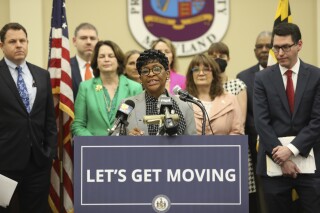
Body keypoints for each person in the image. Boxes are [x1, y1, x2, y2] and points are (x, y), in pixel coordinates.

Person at [253, 22, 320, 213]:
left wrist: (290, 150)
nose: (279, 53)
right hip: (273, 165)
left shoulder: (316, 76)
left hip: (310, 163)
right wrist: (281, 159)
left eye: (285, 47)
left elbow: (317, 121)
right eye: (276, 48)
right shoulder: (262, 78)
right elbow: (261, 122)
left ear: (299, 45)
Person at [0, 23, 57, 213]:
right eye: (12, 41)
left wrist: (49, 152)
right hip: (4, 163)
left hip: (38, 162)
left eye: (22, 41)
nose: (19, 45)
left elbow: (49, 119)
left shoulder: (41, 75)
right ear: (2, 45)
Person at [72, 40, 143, 136]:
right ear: (96, 62)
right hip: (93, 148)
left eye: (111, 56)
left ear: (118, 60)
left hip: (125, 147)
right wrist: (96, 144)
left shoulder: (135, 88)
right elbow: (78, 125)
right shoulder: (85, 87)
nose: (106, 59)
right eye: (101, 56)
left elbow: (139, 123)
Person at [121, 49, 196, 136]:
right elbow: (114, 138)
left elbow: (192, 144)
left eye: (156, 69)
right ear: (140, 78)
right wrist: (127, 139)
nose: (151, 74)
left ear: (167, 74)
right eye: (145, 71)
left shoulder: (185, 105)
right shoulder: (126, 105)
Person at [237, 31, 272, 213]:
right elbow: (245, 113)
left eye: (268, 45)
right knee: (261, 193)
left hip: (288, 143)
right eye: (260, 46)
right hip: (255, 144)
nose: (264, 50)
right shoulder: (243, 77)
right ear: (254, 51)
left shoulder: (286, 74)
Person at [185, 54, 243, 135]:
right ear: (191, 75)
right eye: (196, 69)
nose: (201, 73)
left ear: (214, 74)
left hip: (225, 147)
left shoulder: (231, 100)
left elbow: (238, 132)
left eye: (206, 69)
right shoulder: (182, 101)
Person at [207, 42, 247, 125]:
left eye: (222, 56)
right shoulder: (205, 86)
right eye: (214, 57)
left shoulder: (238, 85)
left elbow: (241, 119)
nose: (218, 59)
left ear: (228, 58)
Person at [71, 23, 99, 100]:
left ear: (98, 41)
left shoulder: (104, 67)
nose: (89, 42)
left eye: (92, 38)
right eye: (83, 38)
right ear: (74, 41)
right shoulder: (65, 68)